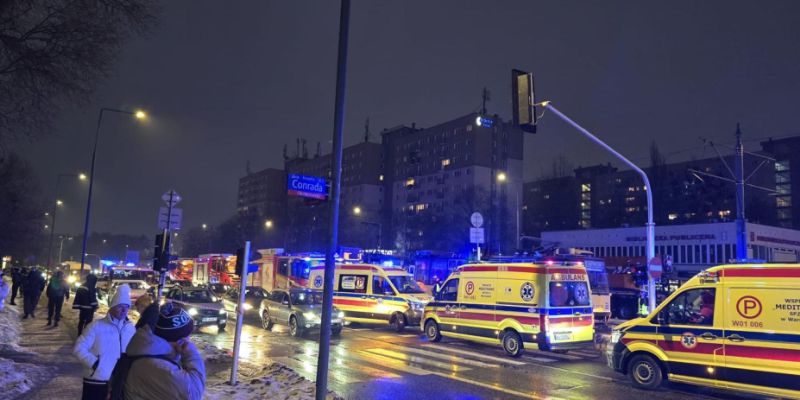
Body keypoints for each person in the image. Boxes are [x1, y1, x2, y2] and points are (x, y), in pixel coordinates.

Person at [122, 302, 205, 399]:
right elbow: (193, 394)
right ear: (179, 341)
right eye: (187, 336)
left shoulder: (153, 352)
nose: (189, 340)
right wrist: (191, 354)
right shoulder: (153, 365)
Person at [74, 284, 135, 400]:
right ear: (112, 307)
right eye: (120, 307)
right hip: (97, 379)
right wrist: (95, 364)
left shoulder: (130, 328)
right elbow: (79, 348)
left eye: (126, 307)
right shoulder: (96, 326)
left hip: (119, 381)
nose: (124, 310)